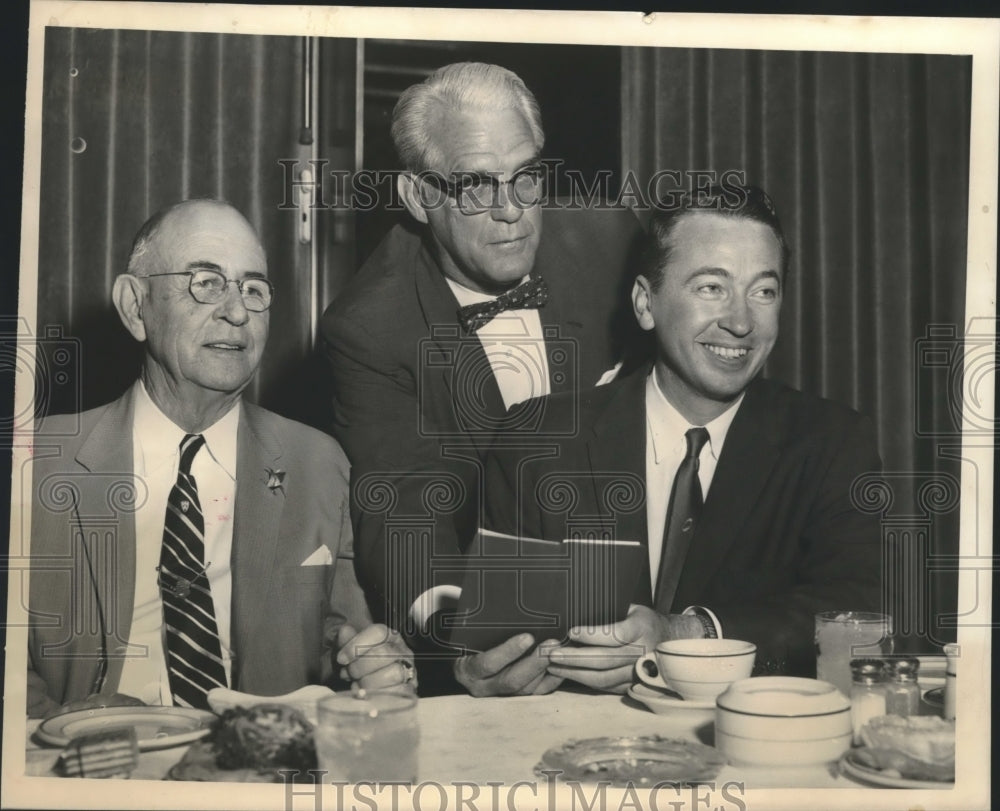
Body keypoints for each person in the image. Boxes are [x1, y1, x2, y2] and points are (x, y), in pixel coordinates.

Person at [481, 184, 884, 693]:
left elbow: (858, 611)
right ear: (646, 305)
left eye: (764, 291)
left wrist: (686, 633)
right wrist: (482, 670)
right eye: (711, 287)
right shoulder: (537, 439)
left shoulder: (830, 443)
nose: (741, 322)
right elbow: (491, 642)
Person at [320, 62, 640, 695]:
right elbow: (404, 516)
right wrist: (458, 643)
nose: (512, 211)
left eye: (525, 176)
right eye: (475, 186)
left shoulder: (613, 245)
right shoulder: (368, 328)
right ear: (417, 197)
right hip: (492, 617)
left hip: (636, 603)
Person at [26, 199, 414, 718]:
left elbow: (342, 642)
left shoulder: (318, 462)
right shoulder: (34, 464)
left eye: (253, 289)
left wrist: (381, 666)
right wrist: (71, 726)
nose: (236, 312)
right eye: (206, 282)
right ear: (135, 306)